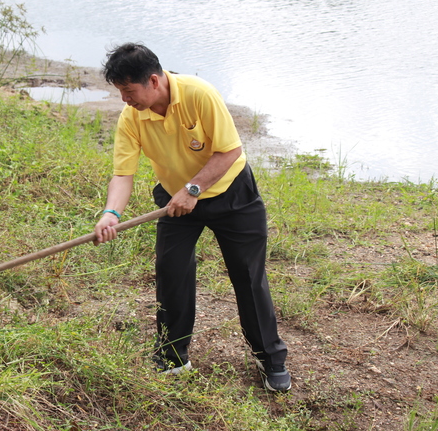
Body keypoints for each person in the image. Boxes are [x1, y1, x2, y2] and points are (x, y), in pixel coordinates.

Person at [93, 43, 291, 392]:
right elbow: (123, 174)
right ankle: (173, 356)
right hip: (176, 201)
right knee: (171, 273)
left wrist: (194, 189)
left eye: (129, 91)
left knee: (248, 276)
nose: (125, 99)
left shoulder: (199, 94)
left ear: (154, 81)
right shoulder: (132, 117)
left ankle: (270, 358)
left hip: (231, 195)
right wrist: (111, 213)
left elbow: (229, 150)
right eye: (120, 92)